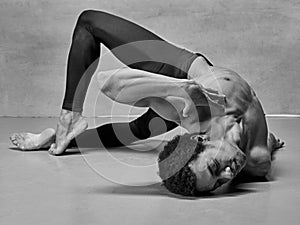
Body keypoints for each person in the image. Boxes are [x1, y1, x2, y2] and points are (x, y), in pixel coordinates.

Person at [9, 10, 284, 195]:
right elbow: (263, 142)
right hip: (186, 74)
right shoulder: (257, 162)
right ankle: (66, 126)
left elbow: (111, 83)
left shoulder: (192, 114)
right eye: (217, 177)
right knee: (89, 25)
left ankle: (60, 133)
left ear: (200, 141)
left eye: (216, 176)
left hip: (183, 78)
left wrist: (181, 89)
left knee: (137, 130)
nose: (227, 175)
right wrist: (271, 141)